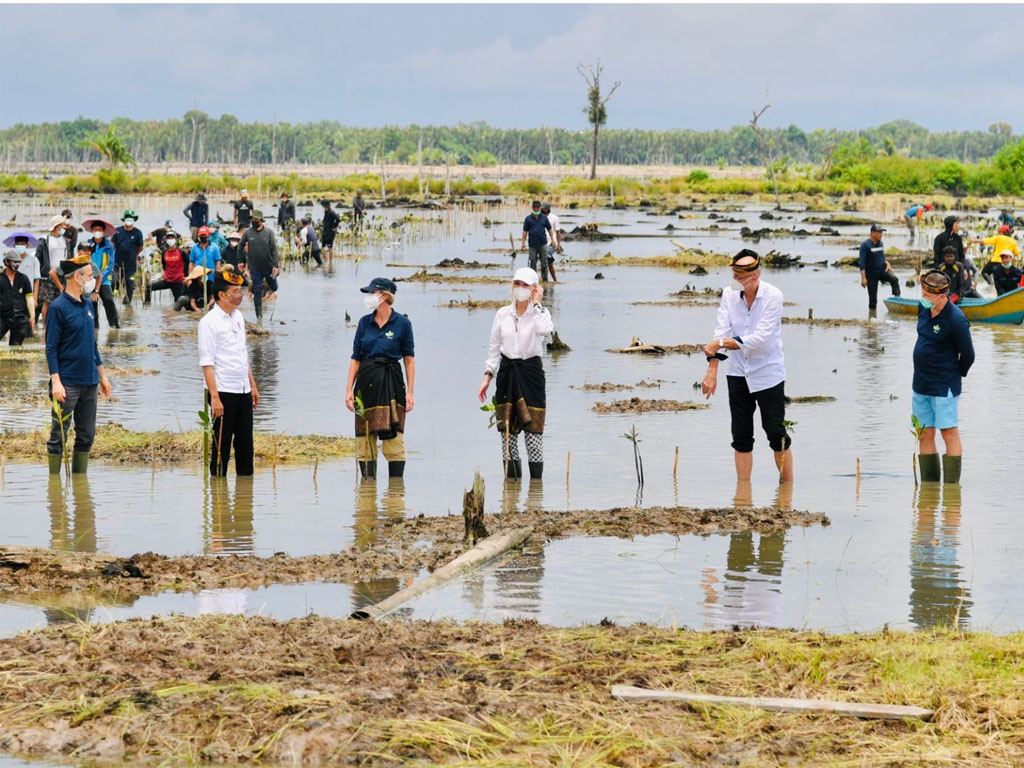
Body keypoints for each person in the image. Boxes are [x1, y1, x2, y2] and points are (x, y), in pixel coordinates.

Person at [701, 249, 793, 482]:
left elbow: (760, 337)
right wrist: (712, 370)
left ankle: (787, 492)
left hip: (768, 372)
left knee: (776, 433)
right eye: (733, 275)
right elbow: (720, 330)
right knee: (741, 436)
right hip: (738, 373)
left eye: (739, 277)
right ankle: (743, 495)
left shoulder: (773, 296)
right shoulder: (729, 295)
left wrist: (722, 343)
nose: (735, 281)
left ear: (755, 276)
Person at [477, 267, 553, 479]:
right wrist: (487, 377)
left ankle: (535, 491)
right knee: (508, 433)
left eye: (526, 285)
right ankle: (511, 490)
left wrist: (537, 303)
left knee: (534, 433)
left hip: (531, 373)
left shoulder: (540, 313)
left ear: (534, 288)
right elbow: (494, 350)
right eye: (517, 284)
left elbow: (546, 330)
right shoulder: (502, 314)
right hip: (508, 373)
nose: (520, 289)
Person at [45, 250, 113, 475]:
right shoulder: (58, 308)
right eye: (88, 275)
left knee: (86, 436)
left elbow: (91, 344)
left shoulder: (87, 304)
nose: (92, 279)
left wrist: (102, 376)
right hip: (67, 383)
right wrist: (56, 381)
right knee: (59, 435)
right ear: (77, 277)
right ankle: (54, 487)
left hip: (89, 381)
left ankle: (80, 487)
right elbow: (51, 348)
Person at [345, 277, 415, 479]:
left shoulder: (402, 324)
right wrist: (349, 389)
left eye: (372, 292)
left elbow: (409, 360)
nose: (368, 297)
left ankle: (395, 495)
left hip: (392, 384)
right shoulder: (364, 323)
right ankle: (367, 495)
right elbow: (355, 358)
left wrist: (410, 392)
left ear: (384, 296)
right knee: (365, 438)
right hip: (365, 385)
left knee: (394, 439)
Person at [912, 270, 974, 484]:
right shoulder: (923, 308)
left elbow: (968, 355)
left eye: (928, 295)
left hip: (944, 384)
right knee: (924, 433)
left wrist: (954, 374)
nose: (923, 297)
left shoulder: (957, 320)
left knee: (948, 433)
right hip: (920, 383)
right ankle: (929, 493)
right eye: (923, 292)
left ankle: (951, 491)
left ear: (942, 296)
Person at [198, 265, 259, 477]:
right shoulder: (208, 323)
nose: (239, 295)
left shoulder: (239, 317)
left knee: (245, 444)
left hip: (242, 388)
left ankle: (245, 498)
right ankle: (219, 497)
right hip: (222, 391)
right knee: (221, 446)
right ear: (222, 295)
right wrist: (214, 397)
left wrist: (252, 385)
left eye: (240, 291)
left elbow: (242, 354)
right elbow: (207, 363)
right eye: (235, 292)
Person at [240, 210, 279, 323]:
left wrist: (276, 266)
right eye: (252, 219)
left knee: (274, 287)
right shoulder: (247, 233)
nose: (253, 221)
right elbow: (240, 246)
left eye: (256, 220)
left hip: (268, 266)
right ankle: (259, 317)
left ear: (261, 221)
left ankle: (271, 286)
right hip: (255, 267)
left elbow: (274, 250)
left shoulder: (269, 232)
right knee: (257, 290)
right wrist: (240, 261)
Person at [35, 215, 69, 328]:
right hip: (48, 275)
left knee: (63, 300)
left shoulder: (65, 241)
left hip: (63, 274)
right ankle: (45, 325)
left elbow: (69, 256)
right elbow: (38, 257)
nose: (65, 226)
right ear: (57, 226)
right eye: (63, 224)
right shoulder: (45, 240)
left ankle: (60, 324)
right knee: (47, 301)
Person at [85, 219, 118, 330]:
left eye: (99, 230)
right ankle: (94, 328)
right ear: (92, 231)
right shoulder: (88, 244)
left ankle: (114, 325)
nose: (97, 231)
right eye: (95, 229)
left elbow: (110, 265)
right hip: (89, 279)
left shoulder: (109, 246)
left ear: (103, 231)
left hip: (104, 279)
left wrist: (100, 277)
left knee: (108, 300)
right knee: (91, 304)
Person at [858, 224, 901, 310]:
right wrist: (863, 278)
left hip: (881, 271)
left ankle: (897, 300)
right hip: (871, 275)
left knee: (894, 279)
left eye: (882, 232)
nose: (881, 234)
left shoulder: (881, 243)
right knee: (873, 300)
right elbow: (862, 262)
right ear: (873, 233)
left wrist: (887, 263)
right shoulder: (865, 245)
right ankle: (872, 316)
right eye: (879, 232)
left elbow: (881, 256)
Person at [1, 250, 34, 345]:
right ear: (7, 262)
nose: (17, 264)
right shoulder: (1, 279)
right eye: (14, 262)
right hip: (3, 317)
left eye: (19, 262)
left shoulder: (23, 278)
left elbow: (29, 298)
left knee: (16, 347)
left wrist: (32, 317)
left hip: (20, 319)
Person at [111, 209, 144, 304]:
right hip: (117, 262)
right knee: (115, 282)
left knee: (130, 285)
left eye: (131, 218)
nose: (129, 220)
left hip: (131, 264)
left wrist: (134, 254)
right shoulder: (117, 231)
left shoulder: (138, 233)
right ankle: (112, 301)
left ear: (134, 220)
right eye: (127, 218)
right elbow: (113, 245)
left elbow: (140, 247)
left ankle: (127, 304)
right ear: (124, 219)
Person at [145, 231, 187, 303]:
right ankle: (147, 306)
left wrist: (186, 277)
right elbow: (164, 265)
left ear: (176, 240)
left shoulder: (181, 252)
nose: (171, 239)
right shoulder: (164, 252)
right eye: (169, 238)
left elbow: (188, 264)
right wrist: (164, 273)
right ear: (166, 240)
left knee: (178, 302)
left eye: (172, 238)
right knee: (149, 286)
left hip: (178, 281)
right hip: (167, 280)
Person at [521, 200, 553, 282]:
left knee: (544, 262)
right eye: (534, 208)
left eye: (537, 208)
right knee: (532, 262)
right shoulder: (528, 219)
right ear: (532, 208)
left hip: (543, 243)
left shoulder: (544, 218)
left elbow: (549, 229)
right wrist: (523, 243)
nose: (536, 210)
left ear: (540, 208)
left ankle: (545, 279)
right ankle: (533, 280)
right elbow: (525, 231)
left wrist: (553, 240)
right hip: (532, 244)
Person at [189, 226, 221, 301]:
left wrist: (218, 276)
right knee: (196, 297)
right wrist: (190, 277)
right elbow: (191, 263)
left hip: (211, 277)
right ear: (199, 236)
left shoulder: (214, 247)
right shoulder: (194, 247)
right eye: (201, 235)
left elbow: (217, 263)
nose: (203, 237)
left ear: (208, 235)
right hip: (197, 277)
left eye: (205, 235)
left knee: (212, 297)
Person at [541, 202, 561, 282]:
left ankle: (549, 279)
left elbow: (558, 232)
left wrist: (559, 245)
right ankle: (550, 280)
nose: (542, 209)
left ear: (548, 208)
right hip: (542, 243)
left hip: (552, 243)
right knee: (547, 263)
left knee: (546, 258)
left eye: (544, 208)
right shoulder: (539, 217)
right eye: (542, 208)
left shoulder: (554, 218)